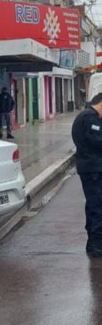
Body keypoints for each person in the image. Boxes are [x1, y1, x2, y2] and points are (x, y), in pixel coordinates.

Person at [71, 93, 102, 258]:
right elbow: (97, 140)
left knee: (93, 205)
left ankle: (92, 243)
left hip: (92, 167)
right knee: (98, 206)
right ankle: (98, 246)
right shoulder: (90, 117)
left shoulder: (90, 116)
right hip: (93, 169)